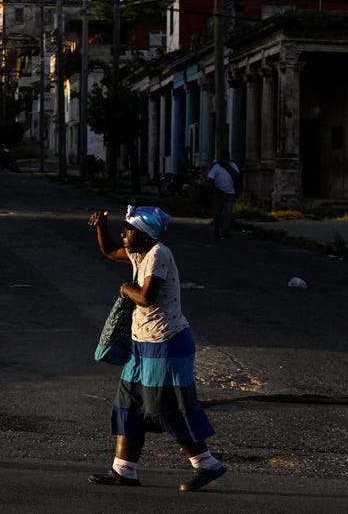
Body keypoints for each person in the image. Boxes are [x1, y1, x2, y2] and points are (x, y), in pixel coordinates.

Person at [86, 206, 226, 492]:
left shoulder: (158, 254)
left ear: (144, 235)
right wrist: (102, 227)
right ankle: (123, 470)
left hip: (166, 343)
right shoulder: (140, 252)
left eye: (128, 230)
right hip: (143, 343)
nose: (123, 234)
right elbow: (111, 251)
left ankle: (207, 464)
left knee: (165, 408)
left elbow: (146, 297)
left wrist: (125, 288)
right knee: (128, 405)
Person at [206, 150, 240, 240]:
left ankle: (224, 232)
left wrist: (228, 166)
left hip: (230, 192)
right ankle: (217, 229)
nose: (226, 158)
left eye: (227, 156)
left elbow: (237, 175)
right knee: (218, 213)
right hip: (219, 193)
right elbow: (210, 178)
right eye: (224, 157)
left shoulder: (232, 165)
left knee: (228, 213)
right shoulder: (216, 167)